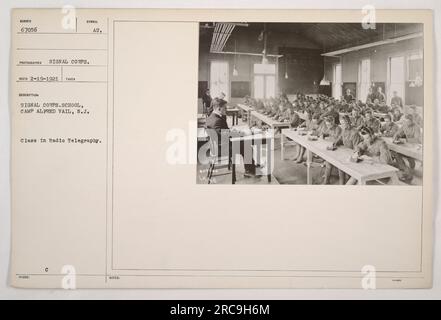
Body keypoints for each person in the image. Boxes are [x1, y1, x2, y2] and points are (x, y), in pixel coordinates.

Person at [205, 98, 256, 177]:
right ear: (219, 108)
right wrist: (241, 133)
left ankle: (251, 166)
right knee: (247, 146)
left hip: (217, 145)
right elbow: (225, 134)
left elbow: (223, 132)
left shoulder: (212, 117)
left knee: (244, 143)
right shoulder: (217, 120)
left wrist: (232, 130)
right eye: (225, 108)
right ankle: (249, 170)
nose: (226, 109)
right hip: (221, 148)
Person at [332, 115, 361, 184]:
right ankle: (342, 182)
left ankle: (344, 181)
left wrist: (353, 156)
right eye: (341, 123)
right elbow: (340, 138)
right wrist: (335, 143)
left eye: (343, 123)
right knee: (338, 163)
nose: (342, 125)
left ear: (348, 122)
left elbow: (356, 148)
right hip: (345, 151)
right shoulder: (344, 130)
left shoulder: (354, 132)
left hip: (352, 154)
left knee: (341, 164)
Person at [392, 114, 422, 183]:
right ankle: (405, 170)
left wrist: (406, 140)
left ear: (412, 121)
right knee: (396, 153)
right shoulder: (404, 124)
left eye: (408, 121)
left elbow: (417, 139)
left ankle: (409, 170)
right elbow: (398, 132)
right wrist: (395, 137)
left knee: (409, 156)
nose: (406, 123)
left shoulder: (416, 127)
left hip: (415, 146)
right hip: (406, 145)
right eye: (405, 121)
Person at [320, 116, 342, 184]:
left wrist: (330, 138)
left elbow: (337, 139)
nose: (328, 126)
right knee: (328, 160)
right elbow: (326, 133)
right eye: (327, 125)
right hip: (331, 146)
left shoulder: (338, 128)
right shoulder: (330, 127)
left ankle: (327, 179)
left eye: (329, 124)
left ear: (333, 123)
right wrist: (323, 134)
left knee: (328, 161)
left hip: (339, 147)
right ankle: (327, 178)